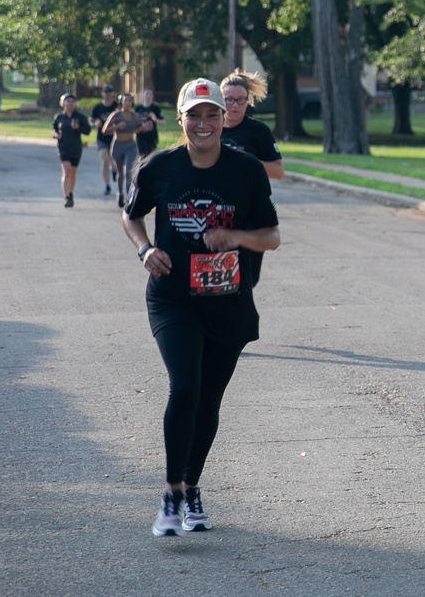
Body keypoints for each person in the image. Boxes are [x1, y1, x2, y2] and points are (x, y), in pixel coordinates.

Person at [122, 77, 280, 538]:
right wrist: (145, 250)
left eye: (213, 114)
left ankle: (192, 487)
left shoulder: (245, 170)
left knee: (209, 399)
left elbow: (271, 236)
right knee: (186, 386)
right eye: (195, 115)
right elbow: (131, 215)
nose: (205, 123)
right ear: (182, 119)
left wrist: (236, 237)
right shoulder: (159, 168)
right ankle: (171, 495)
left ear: (224, 117)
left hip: (228, 302)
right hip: (173, 297)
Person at [220, 69, 284, 286]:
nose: (234, 105)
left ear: (248, 101)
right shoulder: (210, 128)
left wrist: (247, 161)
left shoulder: (258, 132)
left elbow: (278, 171)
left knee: (248, 279)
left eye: (240, 100)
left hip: (251, 212)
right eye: (229, 100)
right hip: (217, 209)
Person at [101, 92, 142, 208]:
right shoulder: (116, 115)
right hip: (118, 145)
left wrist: (143, 128)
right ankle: (120, 194)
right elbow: (104, 130)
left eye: (130, 101)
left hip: (130, 145)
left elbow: (138, 128)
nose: (128, 103)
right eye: (125, 101)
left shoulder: (135, 116)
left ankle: (129, 197)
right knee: (120, 173)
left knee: (129, 171)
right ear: (121, 102)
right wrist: (117, 127)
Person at [52, 93, 92, 208]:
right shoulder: (59, 117)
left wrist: (78, 127)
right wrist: (56, 135)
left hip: (76, 147)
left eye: (72, 101)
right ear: (63, 103)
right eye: (68, 101)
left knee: (73, 173)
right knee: (67, 171)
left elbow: (87, 131)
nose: (70, 103)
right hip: (63, 147)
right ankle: (66, 197)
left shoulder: (80, 117)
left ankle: (70, 192)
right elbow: (53, 130)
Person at [90, 84, 118, 197]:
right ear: (102, 93)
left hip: (115, 137)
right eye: (106, 92)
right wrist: (95, 123)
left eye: (110, 91)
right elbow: (91, 120)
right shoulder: (98, 107)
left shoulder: (116, 106)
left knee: (114, 160)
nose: (108, 94)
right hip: (102, 137)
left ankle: (114, 171)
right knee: (104, 160)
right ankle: (107, 185)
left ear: (113, 93)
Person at [134, 88, 165, 157]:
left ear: (152, 96)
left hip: (152, 136)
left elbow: (163, 122)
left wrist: (154, 119)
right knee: (142, 157)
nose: (148, 96)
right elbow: (134, 122)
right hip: (140, 136)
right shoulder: (138, 108)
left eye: (150, 94)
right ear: (143, 96)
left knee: (151, 157)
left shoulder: (156, 108)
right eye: (146, 94)